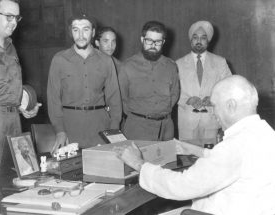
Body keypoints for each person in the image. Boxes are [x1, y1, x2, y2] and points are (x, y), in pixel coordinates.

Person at [115, 75, 275, 215]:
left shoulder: (234, 146)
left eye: (214, 106)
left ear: (231, 106)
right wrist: (193, 150)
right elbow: (233, 163)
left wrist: (138, 163)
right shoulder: (265, 133)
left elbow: (181, 186)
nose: (213, 114)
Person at [0, 0, 41, 167]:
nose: (14, 23)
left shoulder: (11, 48)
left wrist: (22, 105)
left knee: (15, 184)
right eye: (9, 17)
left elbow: (3, 88)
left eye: (17, 18)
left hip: (14, 127)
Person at [47, 14, 122, 151]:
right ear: (71, 32)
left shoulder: (106, 60)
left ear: (93, 32)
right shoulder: (59, 60)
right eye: (76, 30)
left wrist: (114, 130)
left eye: (85, 29)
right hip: (70, 128)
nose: (80, 35)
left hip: (100, 128)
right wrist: (60, 131)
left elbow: (115, 99)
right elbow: (53, 100)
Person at [118, 21, 180, 141]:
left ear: (163, 42)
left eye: (157, 42)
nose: (153, 45)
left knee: (167, 160)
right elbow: (122, 99)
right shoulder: (127, 66)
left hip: (165, 128)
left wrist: (160, 112)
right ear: (142, 40)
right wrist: (143, 114)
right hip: (137, 128)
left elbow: (174, 94)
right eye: (149, 40)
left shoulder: (171, 66)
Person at [176, 20, 231, 144]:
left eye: (203, 38)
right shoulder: (178, 64)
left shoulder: (220, 62)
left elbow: (229, 89)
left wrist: (214, 99)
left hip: (211, 122)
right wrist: (187, 100)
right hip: (187, 123)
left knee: (211, 159)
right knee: (187, 160)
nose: (199, 41)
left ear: (208, 41)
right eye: (195, 37)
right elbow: (173, 91)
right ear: (191, 40)